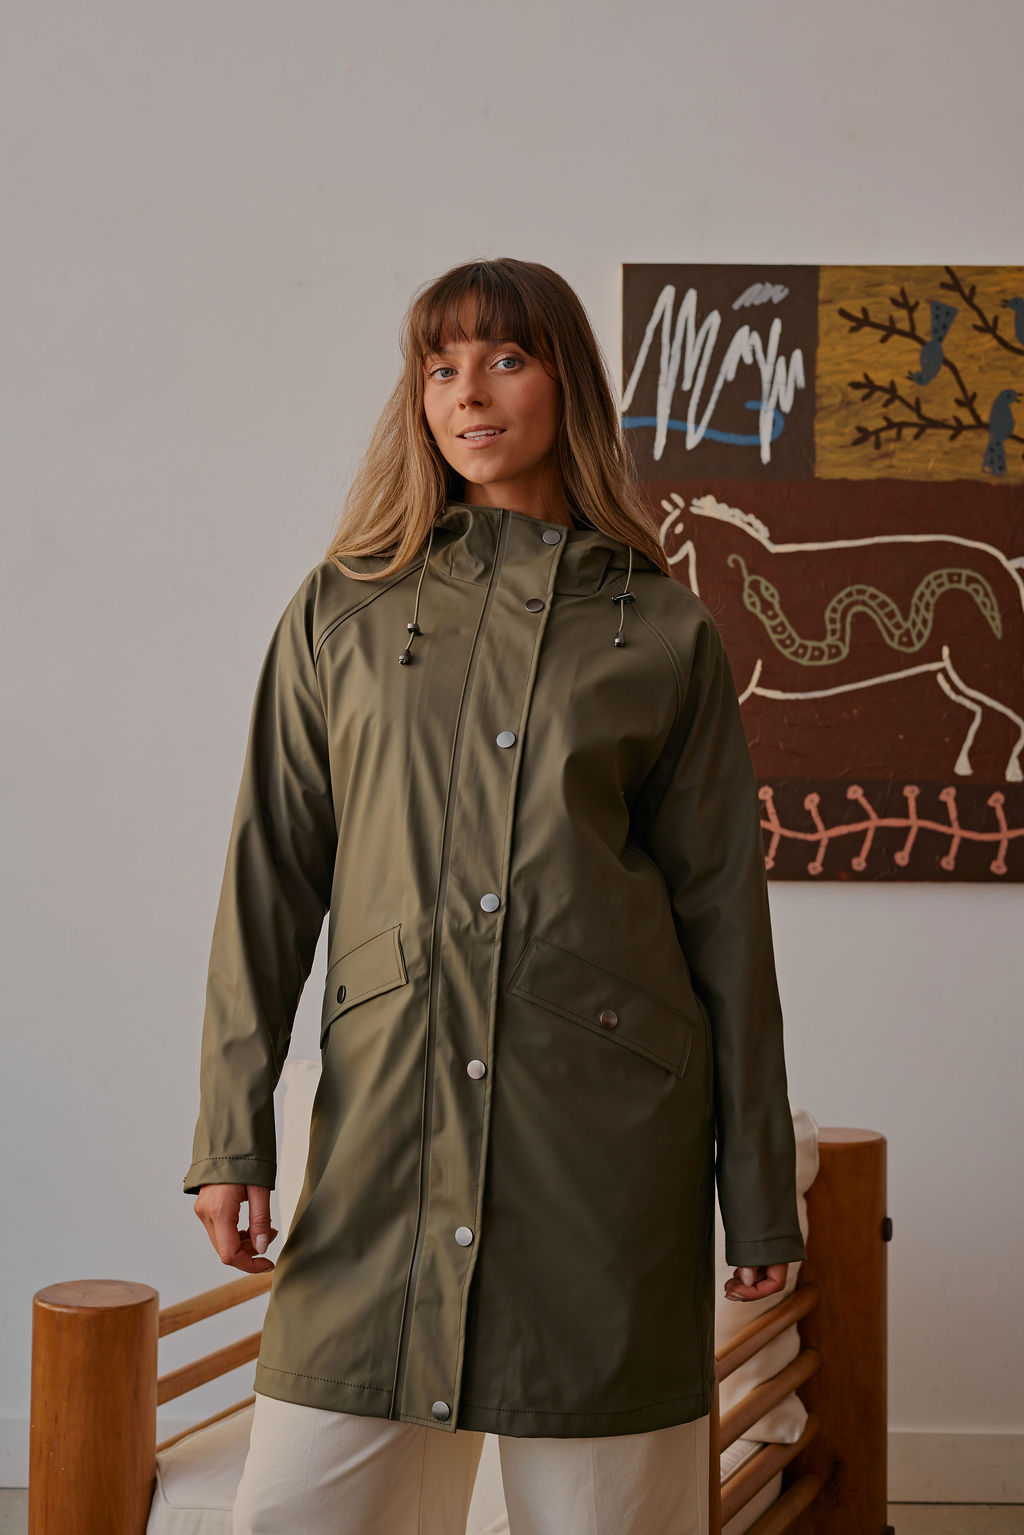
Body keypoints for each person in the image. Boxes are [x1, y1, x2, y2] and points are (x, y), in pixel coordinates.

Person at [184, 256, 806, 1535]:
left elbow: (723, 924)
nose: (466, 392)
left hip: (599, 1160)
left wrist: (755, 1194)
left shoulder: (664, 629)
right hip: (379, 1155)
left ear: (564, 382)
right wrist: (231, 1134)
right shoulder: (341, 610)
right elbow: (270, 876)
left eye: (505, 358)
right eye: (439, 366)